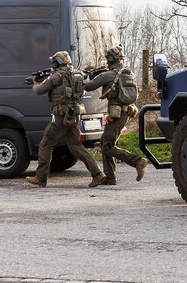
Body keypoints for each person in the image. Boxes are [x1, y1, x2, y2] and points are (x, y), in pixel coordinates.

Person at [26, 51, 106, 188]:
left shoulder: (56, 76)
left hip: (60, 118)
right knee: (76, 146)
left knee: (45, 145)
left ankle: (40, 178)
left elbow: (40, 90)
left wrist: (33, 83)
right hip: (74, 115)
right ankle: (97, 174)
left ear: (56, 62)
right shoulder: (78, 74)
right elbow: (86, 79)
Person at [84, 45, 147, 185]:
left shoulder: (109, 75)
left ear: (110, 59)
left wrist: (85, 77)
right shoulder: (128, 73)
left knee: (107, 145)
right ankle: (110, 177)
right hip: (126, 112)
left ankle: (136, 161)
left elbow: (88, 87)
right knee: (105, 142)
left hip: (117, 114)